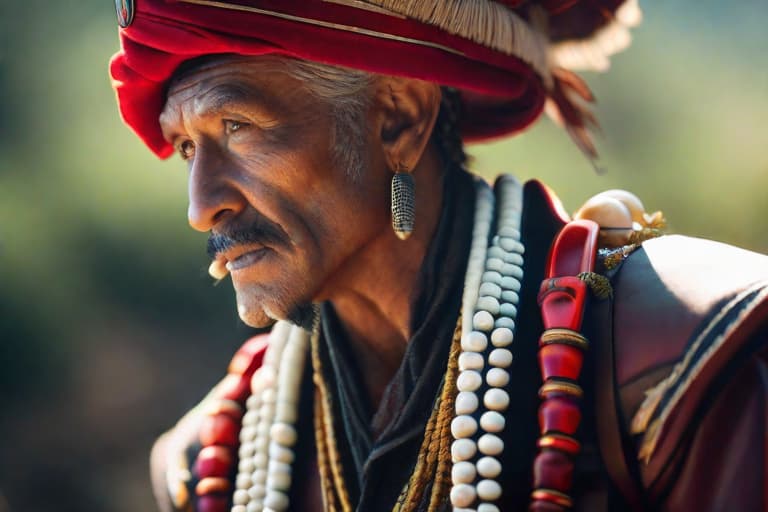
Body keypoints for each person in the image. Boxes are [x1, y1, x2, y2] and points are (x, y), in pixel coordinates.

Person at [108, 1, 768, 511]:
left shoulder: (684, 357)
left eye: (236, 128)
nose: (202, 206)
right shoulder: (207, 465)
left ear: (398, 119)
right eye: (189, 148)